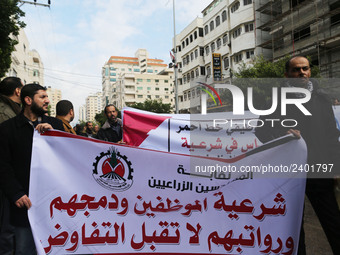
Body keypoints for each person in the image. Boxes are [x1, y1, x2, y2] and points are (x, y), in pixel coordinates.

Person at [255, 56, 340, 255]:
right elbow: (261, 131)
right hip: (289, 174)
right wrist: (281, 135)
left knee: (334, 223)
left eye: (305, 69)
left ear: (310, 71)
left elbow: (331, 135)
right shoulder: (275, 101)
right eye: (296, 70)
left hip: (319, 172)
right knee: (293, 228)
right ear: (287, 75)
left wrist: (336, 168)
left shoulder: (322, 99)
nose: (301, 73)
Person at [0, 83, 64, 255]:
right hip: (25, 206)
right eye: (42, 97)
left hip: (56, 205)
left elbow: (68, 156)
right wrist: (16, 194)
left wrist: (54, 136)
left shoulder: (56, 125)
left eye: (47, 97)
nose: (48, 101)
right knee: (24, 249)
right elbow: (3, 165)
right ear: (28, 100)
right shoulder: (7, 129)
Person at [0, 77, 24, 255]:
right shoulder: (4, 112)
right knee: (6, 225)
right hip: (6, 175)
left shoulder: (12, 109)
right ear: (18, 91)